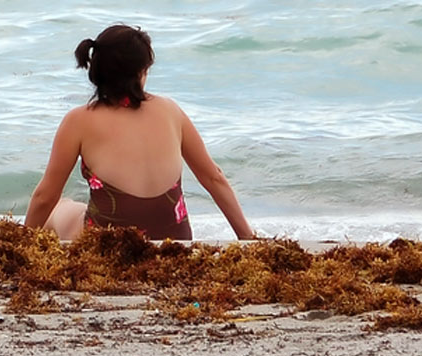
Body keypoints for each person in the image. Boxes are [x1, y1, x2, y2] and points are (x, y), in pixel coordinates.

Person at [24, 25, 256, 241]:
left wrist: (18, 248)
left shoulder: (78, 121)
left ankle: (29, 245)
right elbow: (213, 178)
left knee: (60, 207)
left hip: (105, 247)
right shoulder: (171, 111)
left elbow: (45, 196)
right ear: (141, 72)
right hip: (174, 244)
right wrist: (248, 239)